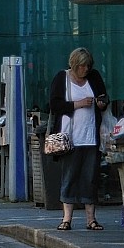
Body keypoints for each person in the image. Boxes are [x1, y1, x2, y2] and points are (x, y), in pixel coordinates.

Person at [47, 46, 109, 232]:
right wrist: (77, 104)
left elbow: (104, 98)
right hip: (70, 137)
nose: (85, 70)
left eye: (88, 66)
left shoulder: (94, 77)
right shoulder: (62, 78)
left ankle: (91, 219)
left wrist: (101, 103)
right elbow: (54, 105)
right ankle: (66, 218)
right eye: (82, 66)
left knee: (90, 177)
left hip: (91, 136)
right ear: (74, 65)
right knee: (70, 176)